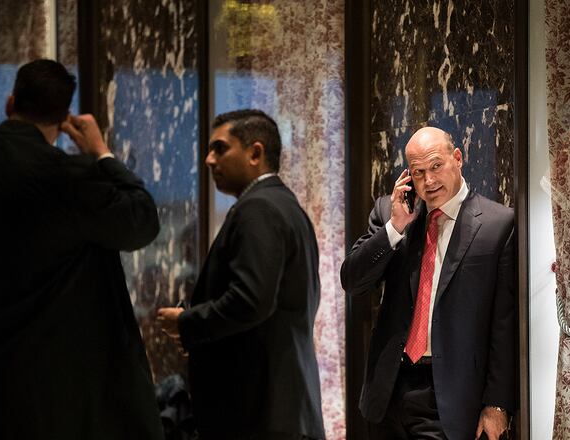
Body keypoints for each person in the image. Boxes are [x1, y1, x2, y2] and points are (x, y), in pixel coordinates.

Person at [0, 59, 164, 440]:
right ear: (64, 117)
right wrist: (101, 153)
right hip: (46, 402)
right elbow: (142, 221)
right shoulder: (72, 179)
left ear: (10, 102)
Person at [157, 109, 325, 440]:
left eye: (220, 148)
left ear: (255, 153)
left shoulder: (259, 208)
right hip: (279, 409)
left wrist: (187, 322)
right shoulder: (284, 205)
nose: (208, 160)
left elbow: (251, 300)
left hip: (258, 414)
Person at [341, 127, 516, 440]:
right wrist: (394, 228)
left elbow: (504, 324)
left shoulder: (498, 224)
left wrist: (498, 404)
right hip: (388, 393)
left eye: (436, 166)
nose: (429, 182)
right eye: (418, 172)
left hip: (452, 397)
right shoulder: (391, 213)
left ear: (457, 158)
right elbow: (353, 281)